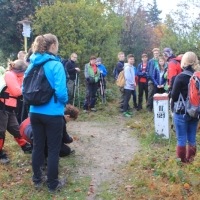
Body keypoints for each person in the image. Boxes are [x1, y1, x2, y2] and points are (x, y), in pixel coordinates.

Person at [23, 34, 68, 193]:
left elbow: (24, 89)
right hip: (53, 113)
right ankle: (53, 184)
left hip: (34, 112)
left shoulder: (31, 64)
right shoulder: (56, 65)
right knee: (54, 148)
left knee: (37, 146)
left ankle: (37, 179)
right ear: (53, 46)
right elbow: (61, 92)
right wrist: (63, 103)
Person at [0, 60, 32, 164]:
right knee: (1, 131)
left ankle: (25, 147)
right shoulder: (10, 75)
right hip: (2, 107)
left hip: (10, 107)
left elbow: (22, 87)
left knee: (15, 128)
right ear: (20, 70)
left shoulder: (18, 76)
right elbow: (17, 92)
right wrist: (24, 88)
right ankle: (0, 154)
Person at [171, 51, 199, 163]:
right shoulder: (198, 76)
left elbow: (174, 97)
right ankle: (190, 161)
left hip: (181, 112)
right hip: (196, 112)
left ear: (184, 62)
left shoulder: (180, 77)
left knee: (181, 138)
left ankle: (181, 163)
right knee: (192, 138)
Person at [146, 48, 160, 112]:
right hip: (151, 80)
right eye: (155, 53)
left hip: (159, 80)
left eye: (157, 53)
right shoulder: (150, 61)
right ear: (153, 54)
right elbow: (148, 70)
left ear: (159, 53)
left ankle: (157, 107)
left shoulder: (161, 60)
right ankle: (149, 108)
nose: (156, 54)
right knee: (150, 94)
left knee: (158, 94)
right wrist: (149, 77)